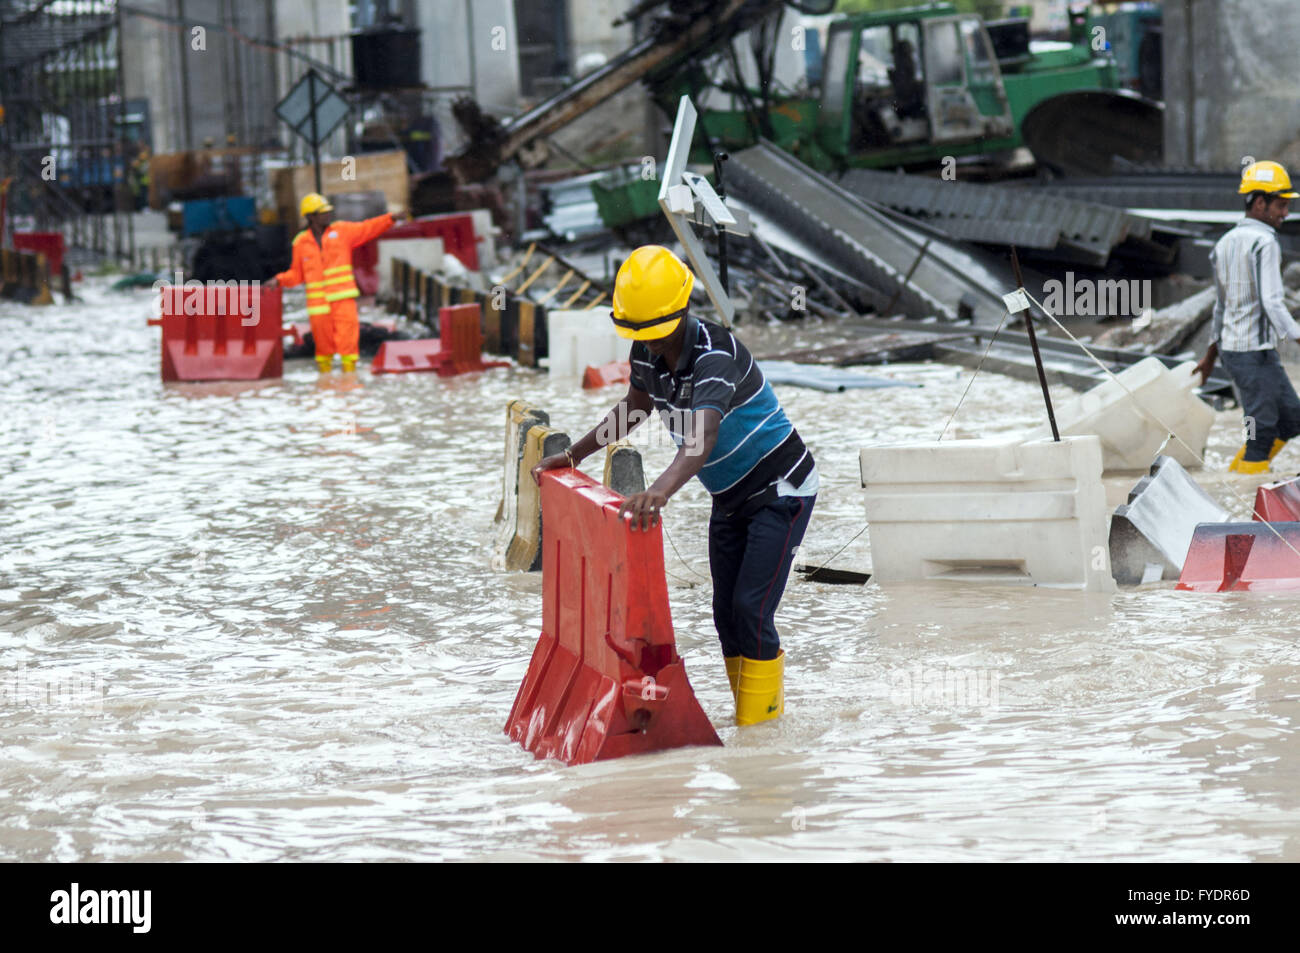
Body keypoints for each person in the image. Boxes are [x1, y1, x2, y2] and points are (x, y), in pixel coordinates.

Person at [531, 245, 817, 726]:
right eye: (642, 336)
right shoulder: (646, 346)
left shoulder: (715, 355)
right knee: (725, 615)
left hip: (780, 491)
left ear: (684, 310)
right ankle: (752, 728)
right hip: (729, 498)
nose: (653, 346)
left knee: (751, 609)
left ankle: (763, 729)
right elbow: (634, 407)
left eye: (659, 336)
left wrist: (658, 492)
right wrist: (576, 453)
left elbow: (702, 437)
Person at [1195, 160, 1300, 474]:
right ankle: (1243, 496)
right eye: (1280, 205)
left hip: (1242, 352)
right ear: (1259, 203)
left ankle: (1236, 476)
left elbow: (1220, 306)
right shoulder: (1265, 242)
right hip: (1248, 354)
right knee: (1260, 428)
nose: (1285, 213)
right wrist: (1297, 334)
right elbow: (1272, 300)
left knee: (1292, 417)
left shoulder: (1223, 243)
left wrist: (1211, 354)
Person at [268, 193, 402, 372]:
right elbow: (297, 275)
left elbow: (368, 228)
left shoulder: (342, 232)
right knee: (323, 350)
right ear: (311, 216)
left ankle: (349, 383)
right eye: (322, 212)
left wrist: (390, 219)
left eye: (328, 211)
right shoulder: (301, 243)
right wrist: (278, 281)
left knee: (348, 345)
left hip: (343, 300)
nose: (327, 215)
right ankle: (326, 384)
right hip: (318, 306)